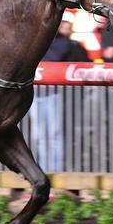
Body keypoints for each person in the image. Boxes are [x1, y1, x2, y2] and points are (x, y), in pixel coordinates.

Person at [33, 16, 90, 172]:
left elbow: (53, 59)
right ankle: (44, 171)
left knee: (54, 135)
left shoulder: (64, 43)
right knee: (39, 138)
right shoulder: (36, 39)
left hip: (53, 94)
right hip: (35, 93)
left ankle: (56, 171)